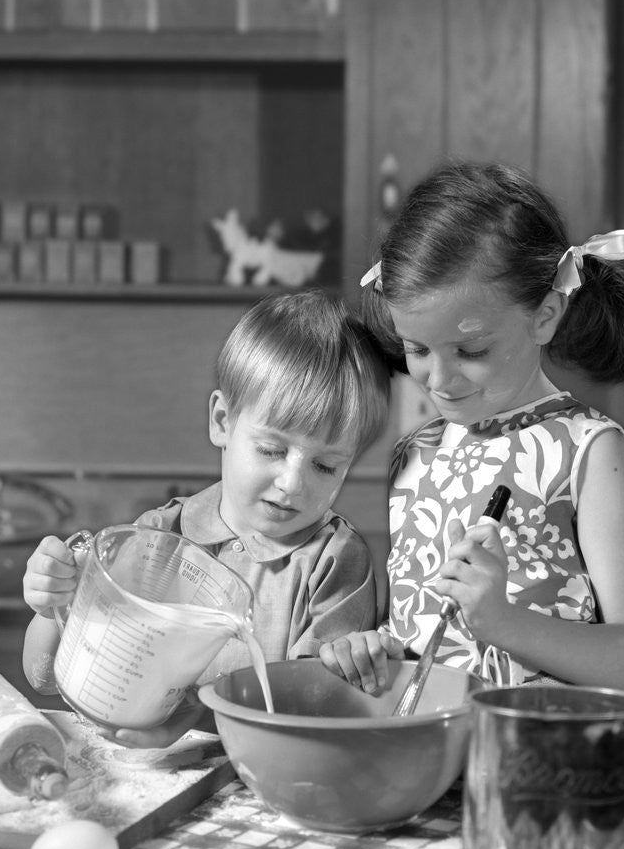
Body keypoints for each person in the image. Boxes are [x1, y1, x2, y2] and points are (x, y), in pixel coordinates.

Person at [319, 160, 624, 697]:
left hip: (537, 764)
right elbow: (417, 633)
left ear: (544, 315)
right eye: (416, 349)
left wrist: (502, 623)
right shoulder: (417, 450)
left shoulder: (588, 452)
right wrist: (372, 647)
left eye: (471, 350)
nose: (437, 380)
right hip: (424, 754)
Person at [22, 289, 391, 746]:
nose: (294, 483)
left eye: (326, 465)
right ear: (222, 421)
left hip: (259, 783)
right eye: (272, 450)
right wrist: (49, 606)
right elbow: (43, 674)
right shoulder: (157, 538)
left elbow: (308, 709)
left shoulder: (333, 560)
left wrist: (188, 715)